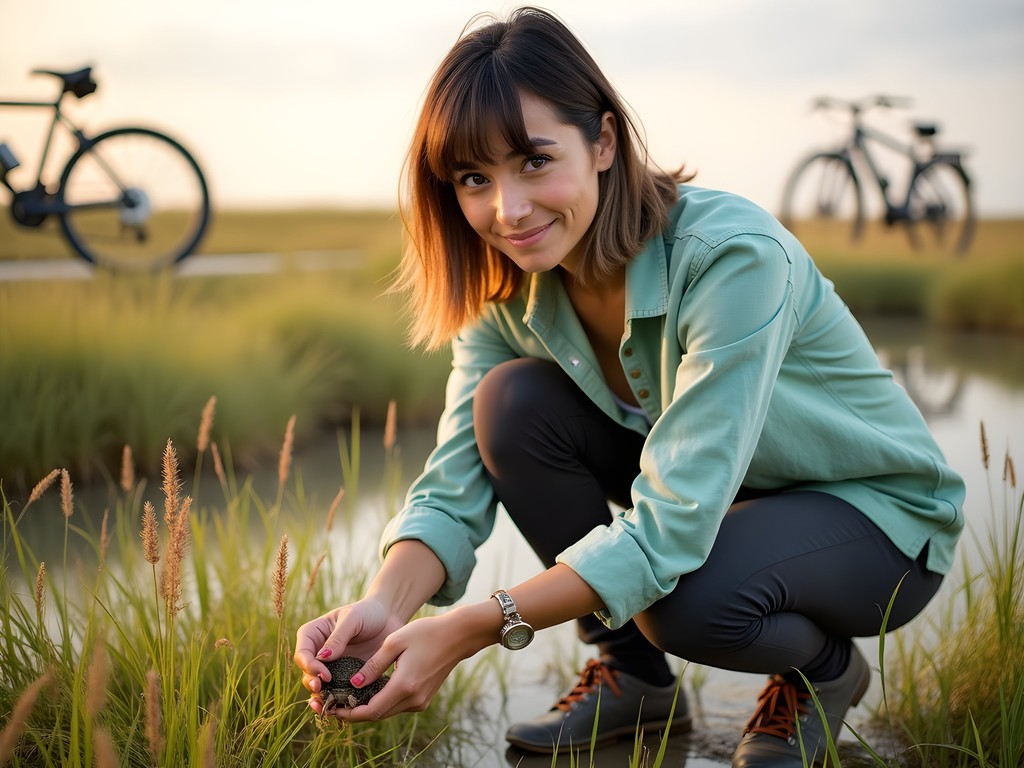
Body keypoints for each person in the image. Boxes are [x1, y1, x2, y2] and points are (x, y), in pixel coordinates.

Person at [294, 7, 965, 765]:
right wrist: (385, 605)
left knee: (684, 601)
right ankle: (634, 679)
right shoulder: (509, 292)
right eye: (474, 179)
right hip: (728, 508)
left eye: (535, 162)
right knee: (510, 406)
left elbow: (674, 528)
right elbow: (454, 484)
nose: (507, 211)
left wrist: (477, 625)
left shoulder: (731, 257)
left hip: (878, 524)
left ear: (603, 140)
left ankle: (822, 674)